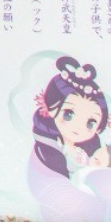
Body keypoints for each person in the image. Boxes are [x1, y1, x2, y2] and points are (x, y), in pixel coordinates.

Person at [30, 55, 111, 220]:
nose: (79, 127)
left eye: (90, 123)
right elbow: (47, 187)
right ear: (52, 108)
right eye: (68, 114)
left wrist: (104, 160)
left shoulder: (94, 146)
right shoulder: (47, 147)